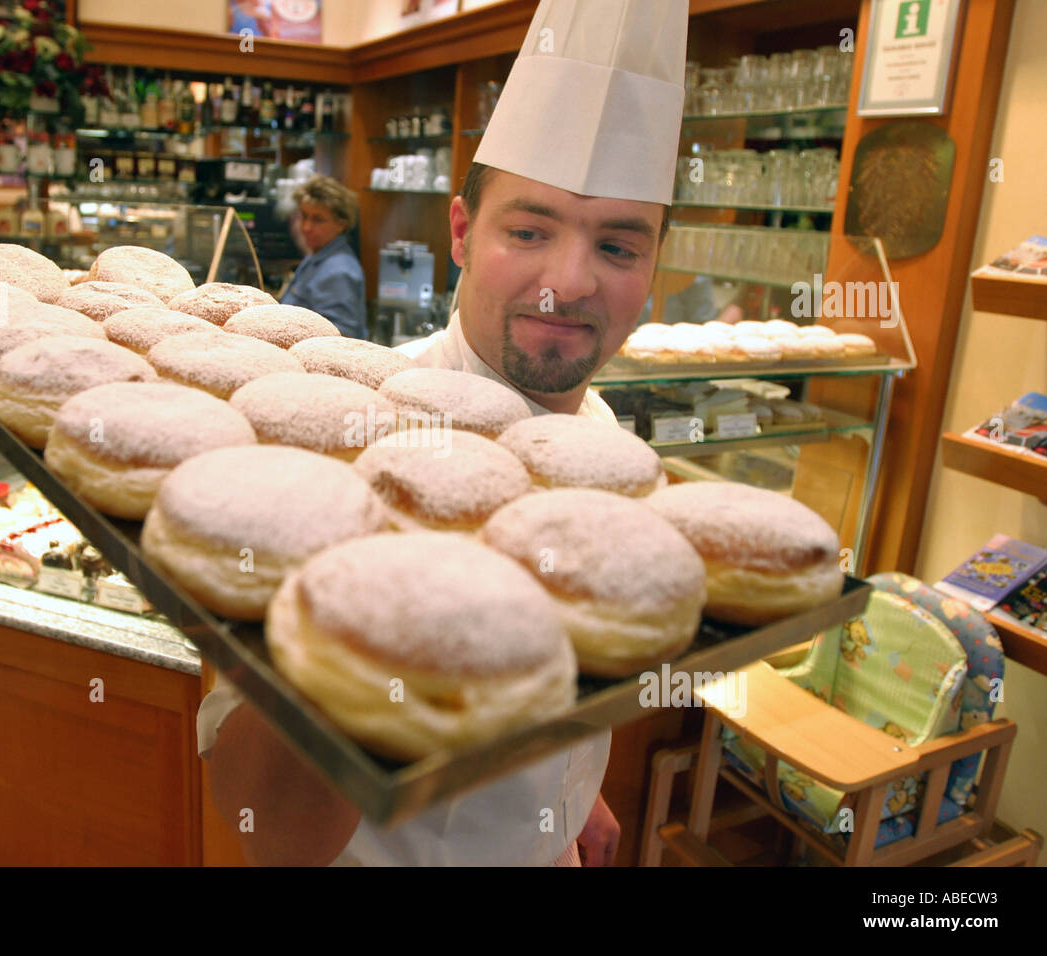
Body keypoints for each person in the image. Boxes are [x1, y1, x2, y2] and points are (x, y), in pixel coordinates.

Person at [202, 0, 688, 866]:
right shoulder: (331, 445)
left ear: (654, 268)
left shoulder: (614, 453)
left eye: (618, 247)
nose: (566, 284)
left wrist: (575, 794)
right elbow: (264, 833)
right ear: (461, 233)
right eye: (529, 230)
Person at [279, 175, 368, 339]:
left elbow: (343, 335)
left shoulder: (339, 271)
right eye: (304, 216)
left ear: (342, 224)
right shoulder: (318, 254)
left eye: (318, 220)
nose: (306, 227)